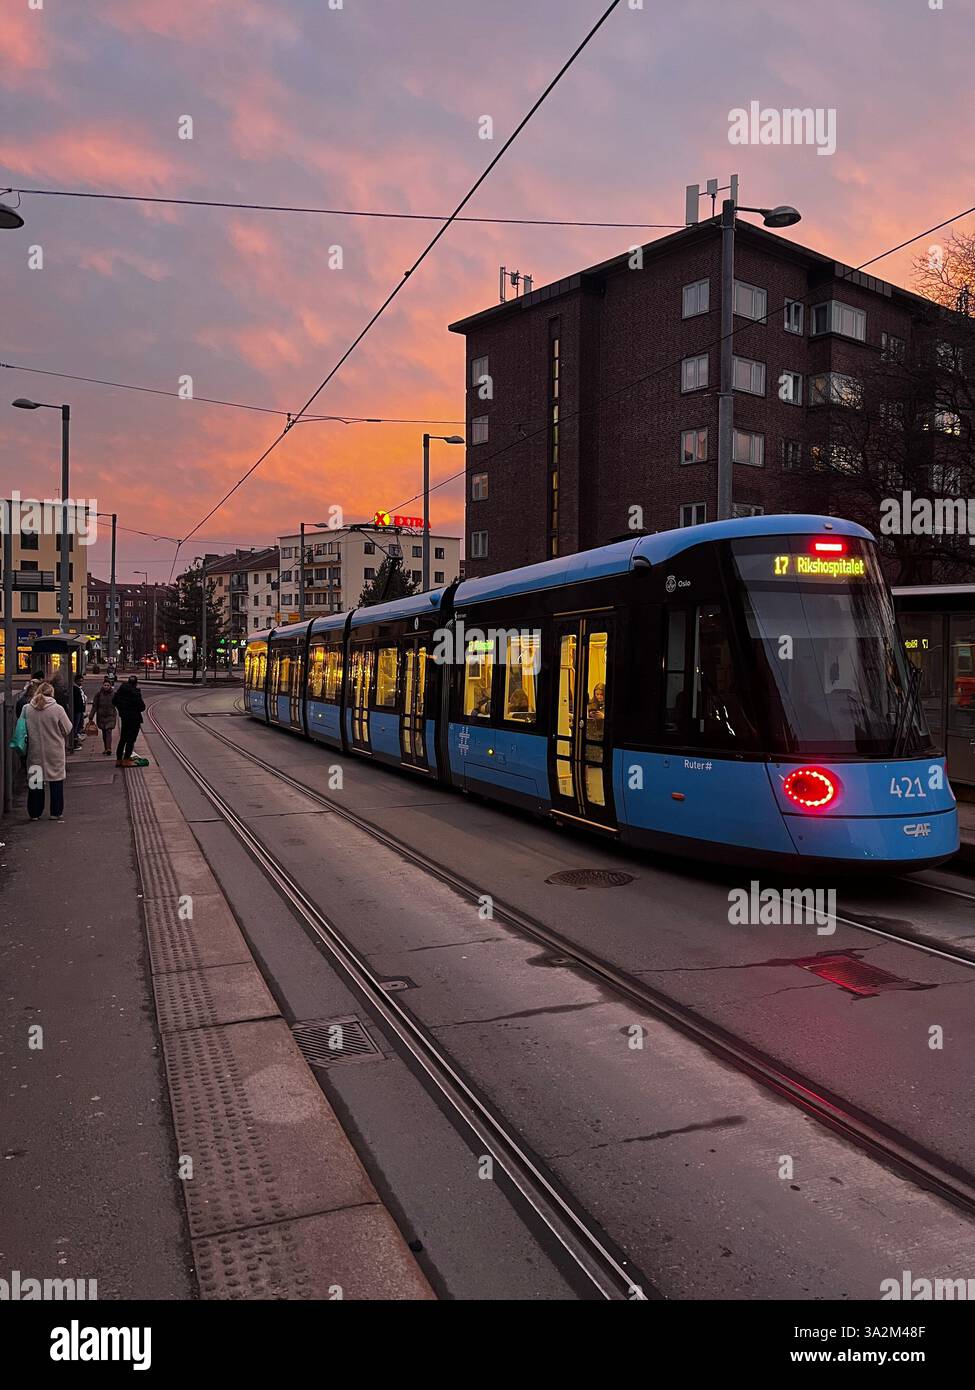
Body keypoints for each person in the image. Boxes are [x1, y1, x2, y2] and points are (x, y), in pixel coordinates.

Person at [23, 681, 74, 820]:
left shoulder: (27, 708)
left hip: (35, 750)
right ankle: (55, 812)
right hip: (54, 751)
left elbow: (22, 728)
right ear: (51, 693)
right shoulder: (57, 709)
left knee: (35, 783)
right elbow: (68, 728)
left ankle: (34, 813)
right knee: (56, 782)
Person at [112, 674, 146, 766]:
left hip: (124, 718)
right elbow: (142, 707)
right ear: (135, 683)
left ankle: (119, 760)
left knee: (123, 739)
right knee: (131, 740)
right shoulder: (135, 693)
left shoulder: (120, 692)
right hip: (134, 719)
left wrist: (121, 709)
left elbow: (114, 701)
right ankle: (126, 759)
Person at [90, 676, 118, 756]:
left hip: (111, 715)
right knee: (104, 732)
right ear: (102, 685)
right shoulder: (98, 695)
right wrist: (91, 716)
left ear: (110, 686)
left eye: (107, 685)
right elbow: (95, 706)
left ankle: (109, 748)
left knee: (108, 731)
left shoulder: (114, 694)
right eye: (105, 685)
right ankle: (106, 748)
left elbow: (118, 704)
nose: (106, 687)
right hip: (101, 716)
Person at [71, 671, 87, 749]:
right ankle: (74, 742)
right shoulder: (75, 689)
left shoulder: (78, 689)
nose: (81, 682)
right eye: (79, 681)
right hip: (77, 710)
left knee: (78, 726)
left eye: (82, 681)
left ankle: (76, 740)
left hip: (79, 710)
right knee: (76, 727)